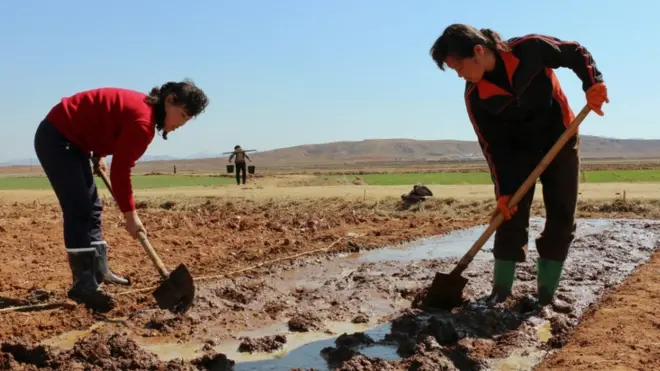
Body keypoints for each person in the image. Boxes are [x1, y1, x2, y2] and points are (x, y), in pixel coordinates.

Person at [429, 24, 609, 306]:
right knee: (509, 216)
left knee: (562, 216)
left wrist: (593, 83)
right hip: (518, 154)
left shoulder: (530, 49)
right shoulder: (475, 96)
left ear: (478, 51)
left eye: (458, 66)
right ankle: (500, 292)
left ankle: (546, 296)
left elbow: (575, 52)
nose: (459, 74)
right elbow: (492, 147)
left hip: (560, 140)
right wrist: (503, 192)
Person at [33, 80, 209, 313]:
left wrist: (99, 152)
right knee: (79, 208)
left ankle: (99, 272)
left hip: (73, 141)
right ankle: (83, 285)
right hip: (58, 138)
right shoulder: (143, 122)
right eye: (183, 115)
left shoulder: (143, 112)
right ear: (169, 100)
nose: (181, 124)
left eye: (187, 120)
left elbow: (105, 121)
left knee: (93, 207)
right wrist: (130, 215)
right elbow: (121, 171)